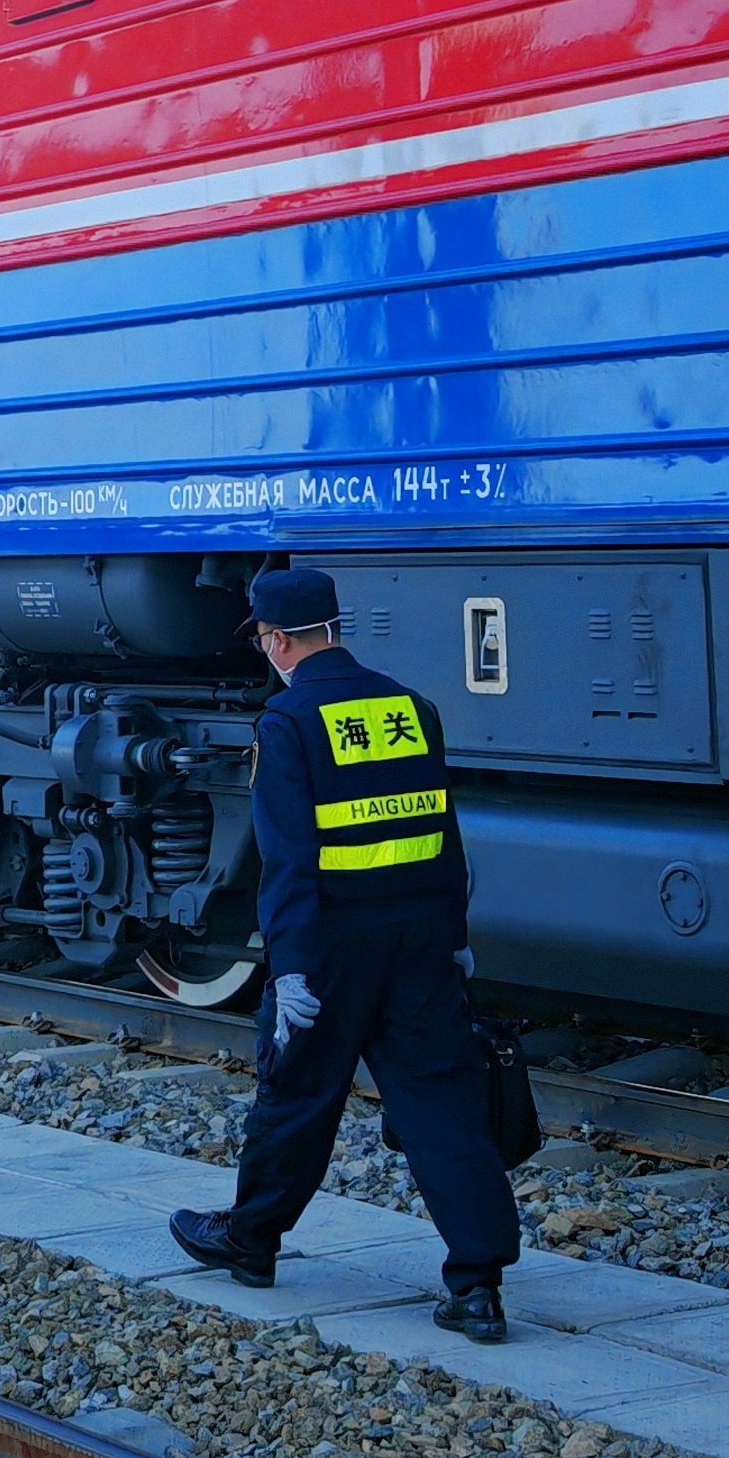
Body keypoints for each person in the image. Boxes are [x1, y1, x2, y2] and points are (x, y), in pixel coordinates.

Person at [167, 566, 520, 1341]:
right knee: (441, 1103)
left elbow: (290, 860)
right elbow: (442, 837)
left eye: (263, 639)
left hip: (330, 949)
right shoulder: (411, 708)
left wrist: (290, 967)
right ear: (334, 628)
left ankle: (252, 1240)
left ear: (276, 641)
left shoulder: (287, 721)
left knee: (296, 1096)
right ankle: (478, 1285)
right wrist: (455, 940)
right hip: (419, 941)